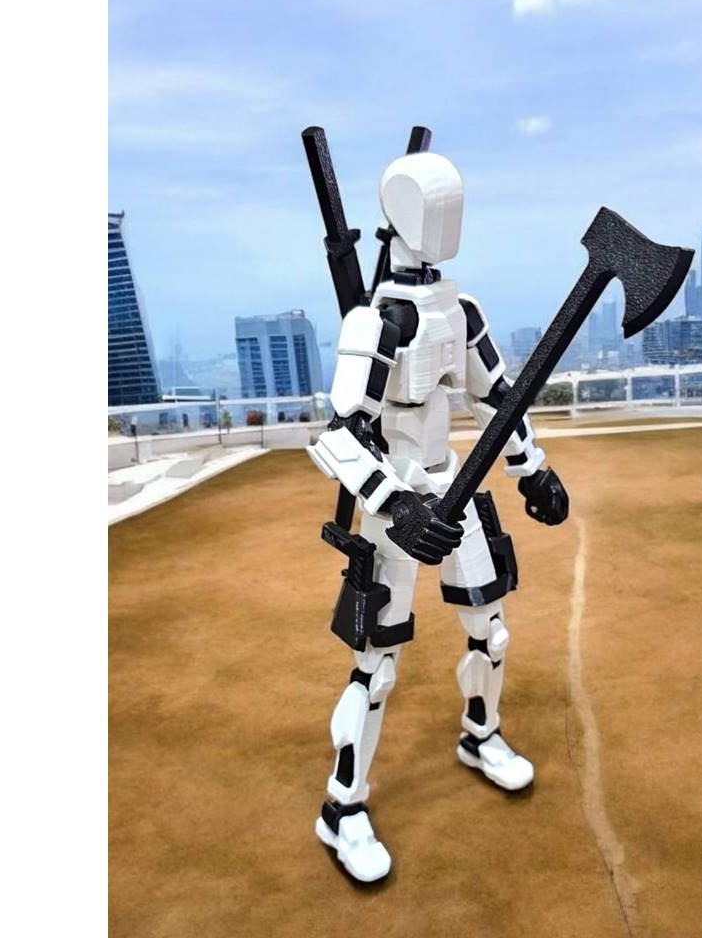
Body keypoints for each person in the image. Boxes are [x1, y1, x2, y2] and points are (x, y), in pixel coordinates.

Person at [307, 150, 568, 882]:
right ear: (402, 214)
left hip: (454, 485)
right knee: (376, 667)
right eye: (436, 208)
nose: (448, 222)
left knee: (492, 630)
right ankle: (342, 808)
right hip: (397, 503)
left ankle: (480, 734)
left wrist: (533, 468)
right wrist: (395, 504)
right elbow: (337, 435)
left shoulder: (461, 310)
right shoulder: (376, 322)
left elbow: (497, 398)